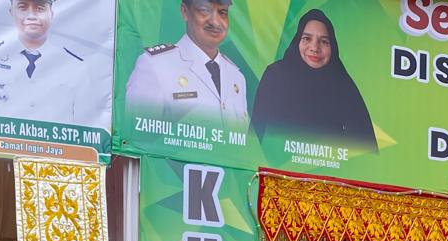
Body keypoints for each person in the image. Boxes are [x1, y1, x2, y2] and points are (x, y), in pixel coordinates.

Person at [250, 10, 377, 152]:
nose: (314, 48)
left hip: (328, 172)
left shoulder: (343, 86)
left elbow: (366, 148)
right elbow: (254, 135)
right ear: (298, 40)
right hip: (274, 171)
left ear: (332, 46)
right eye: (307, 39)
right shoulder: (275, 75)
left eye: (324, 41)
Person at [124, 0, 249, 130]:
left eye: (222, 13)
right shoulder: (155, 65)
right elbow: (138, 140)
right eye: (205, 10)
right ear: (185, 12)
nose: (215, 22)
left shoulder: (237, 77)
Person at [0, 0, 92, 124]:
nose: (31, 16)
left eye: (40, 8)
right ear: (11, 12)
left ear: (51, 13)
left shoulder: (73, 66)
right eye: (23, 7)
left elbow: (87, 130)